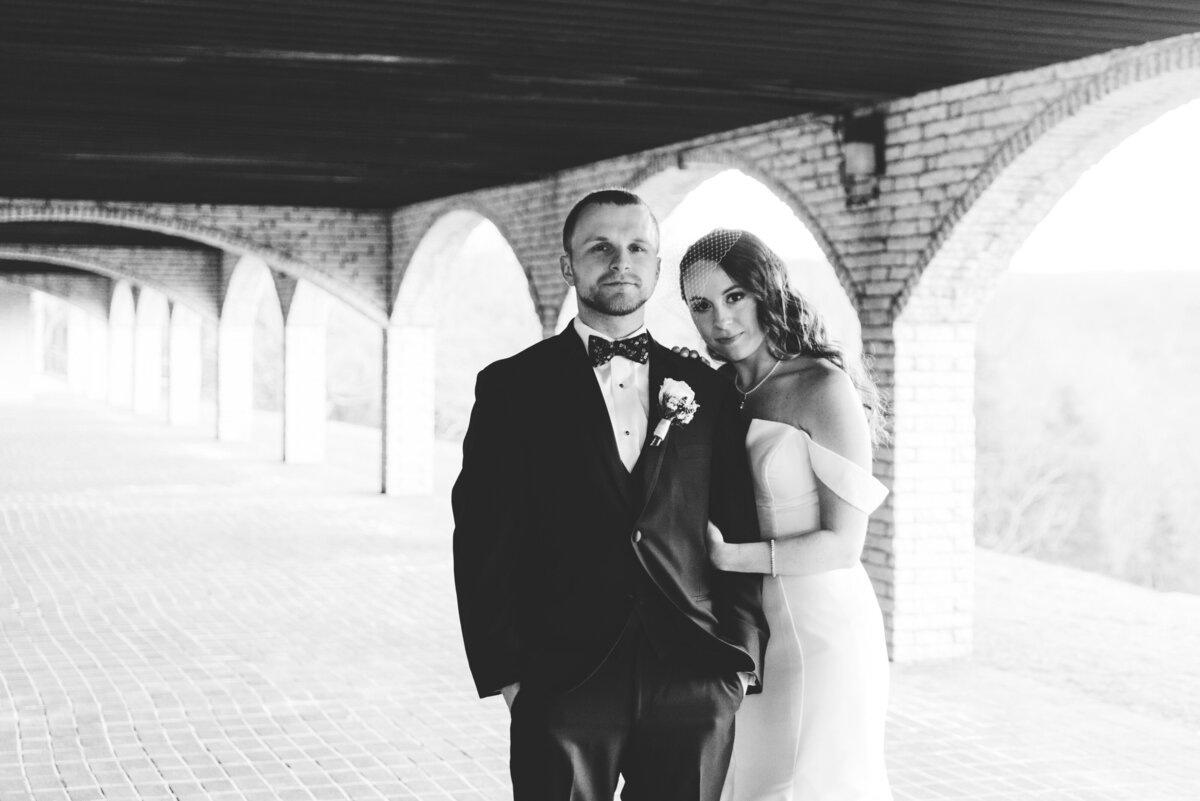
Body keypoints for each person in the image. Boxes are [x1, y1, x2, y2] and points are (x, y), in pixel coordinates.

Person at [452, 190, 768, 801]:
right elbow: (483, 542)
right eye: (600, 247)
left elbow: (738, 521)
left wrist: (739, 660)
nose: (619, 261)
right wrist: (513, 678)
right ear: (569, 265)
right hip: (562, 676)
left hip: (693, 671)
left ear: (654, 263)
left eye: (635, 247)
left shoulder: (708, 389)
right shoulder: (511, 388)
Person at [678, 229, 892, 801]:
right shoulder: (713, 391)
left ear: (766, 292)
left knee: (808, 784)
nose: (721, 320)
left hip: (819, 624)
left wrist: (729, 556)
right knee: (745, 783)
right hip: (743, 628)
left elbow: (845, 545)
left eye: (734, 297)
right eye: (701, 305)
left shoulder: (821, 385)